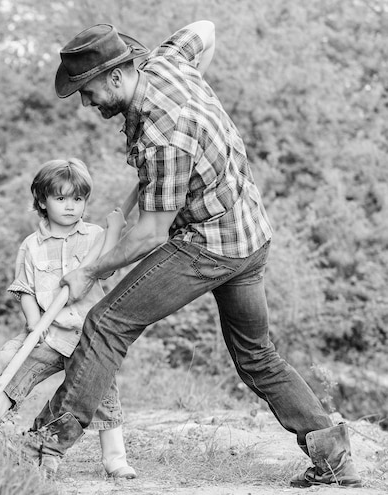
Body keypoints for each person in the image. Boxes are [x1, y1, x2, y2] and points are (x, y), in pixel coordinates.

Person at [21, 21, 362, 488]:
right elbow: (206, 28)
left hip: (207, 246)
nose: (86, 101)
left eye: (88, 89)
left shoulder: (164, 135)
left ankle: (44, 445)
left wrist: (89, 270)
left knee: (106, 323)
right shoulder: (167, 63)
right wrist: (198, 102)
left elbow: (152, 233)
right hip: (249, 233)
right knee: (257, 356)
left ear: (116, 77)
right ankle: (333, 457)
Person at [0, 158, 137, 478]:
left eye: (78, 199)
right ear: (42, 201)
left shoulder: (95, 236)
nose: (70, 206)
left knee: (103, 393)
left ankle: (115, 459)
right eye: (60, 198)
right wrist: (34, 324)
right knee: (9, 359)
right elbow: (25, 289)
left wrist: (115, 230)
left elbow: (108, 267)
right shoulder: (31, 246)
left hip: (88, 334)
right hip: (47, 331)